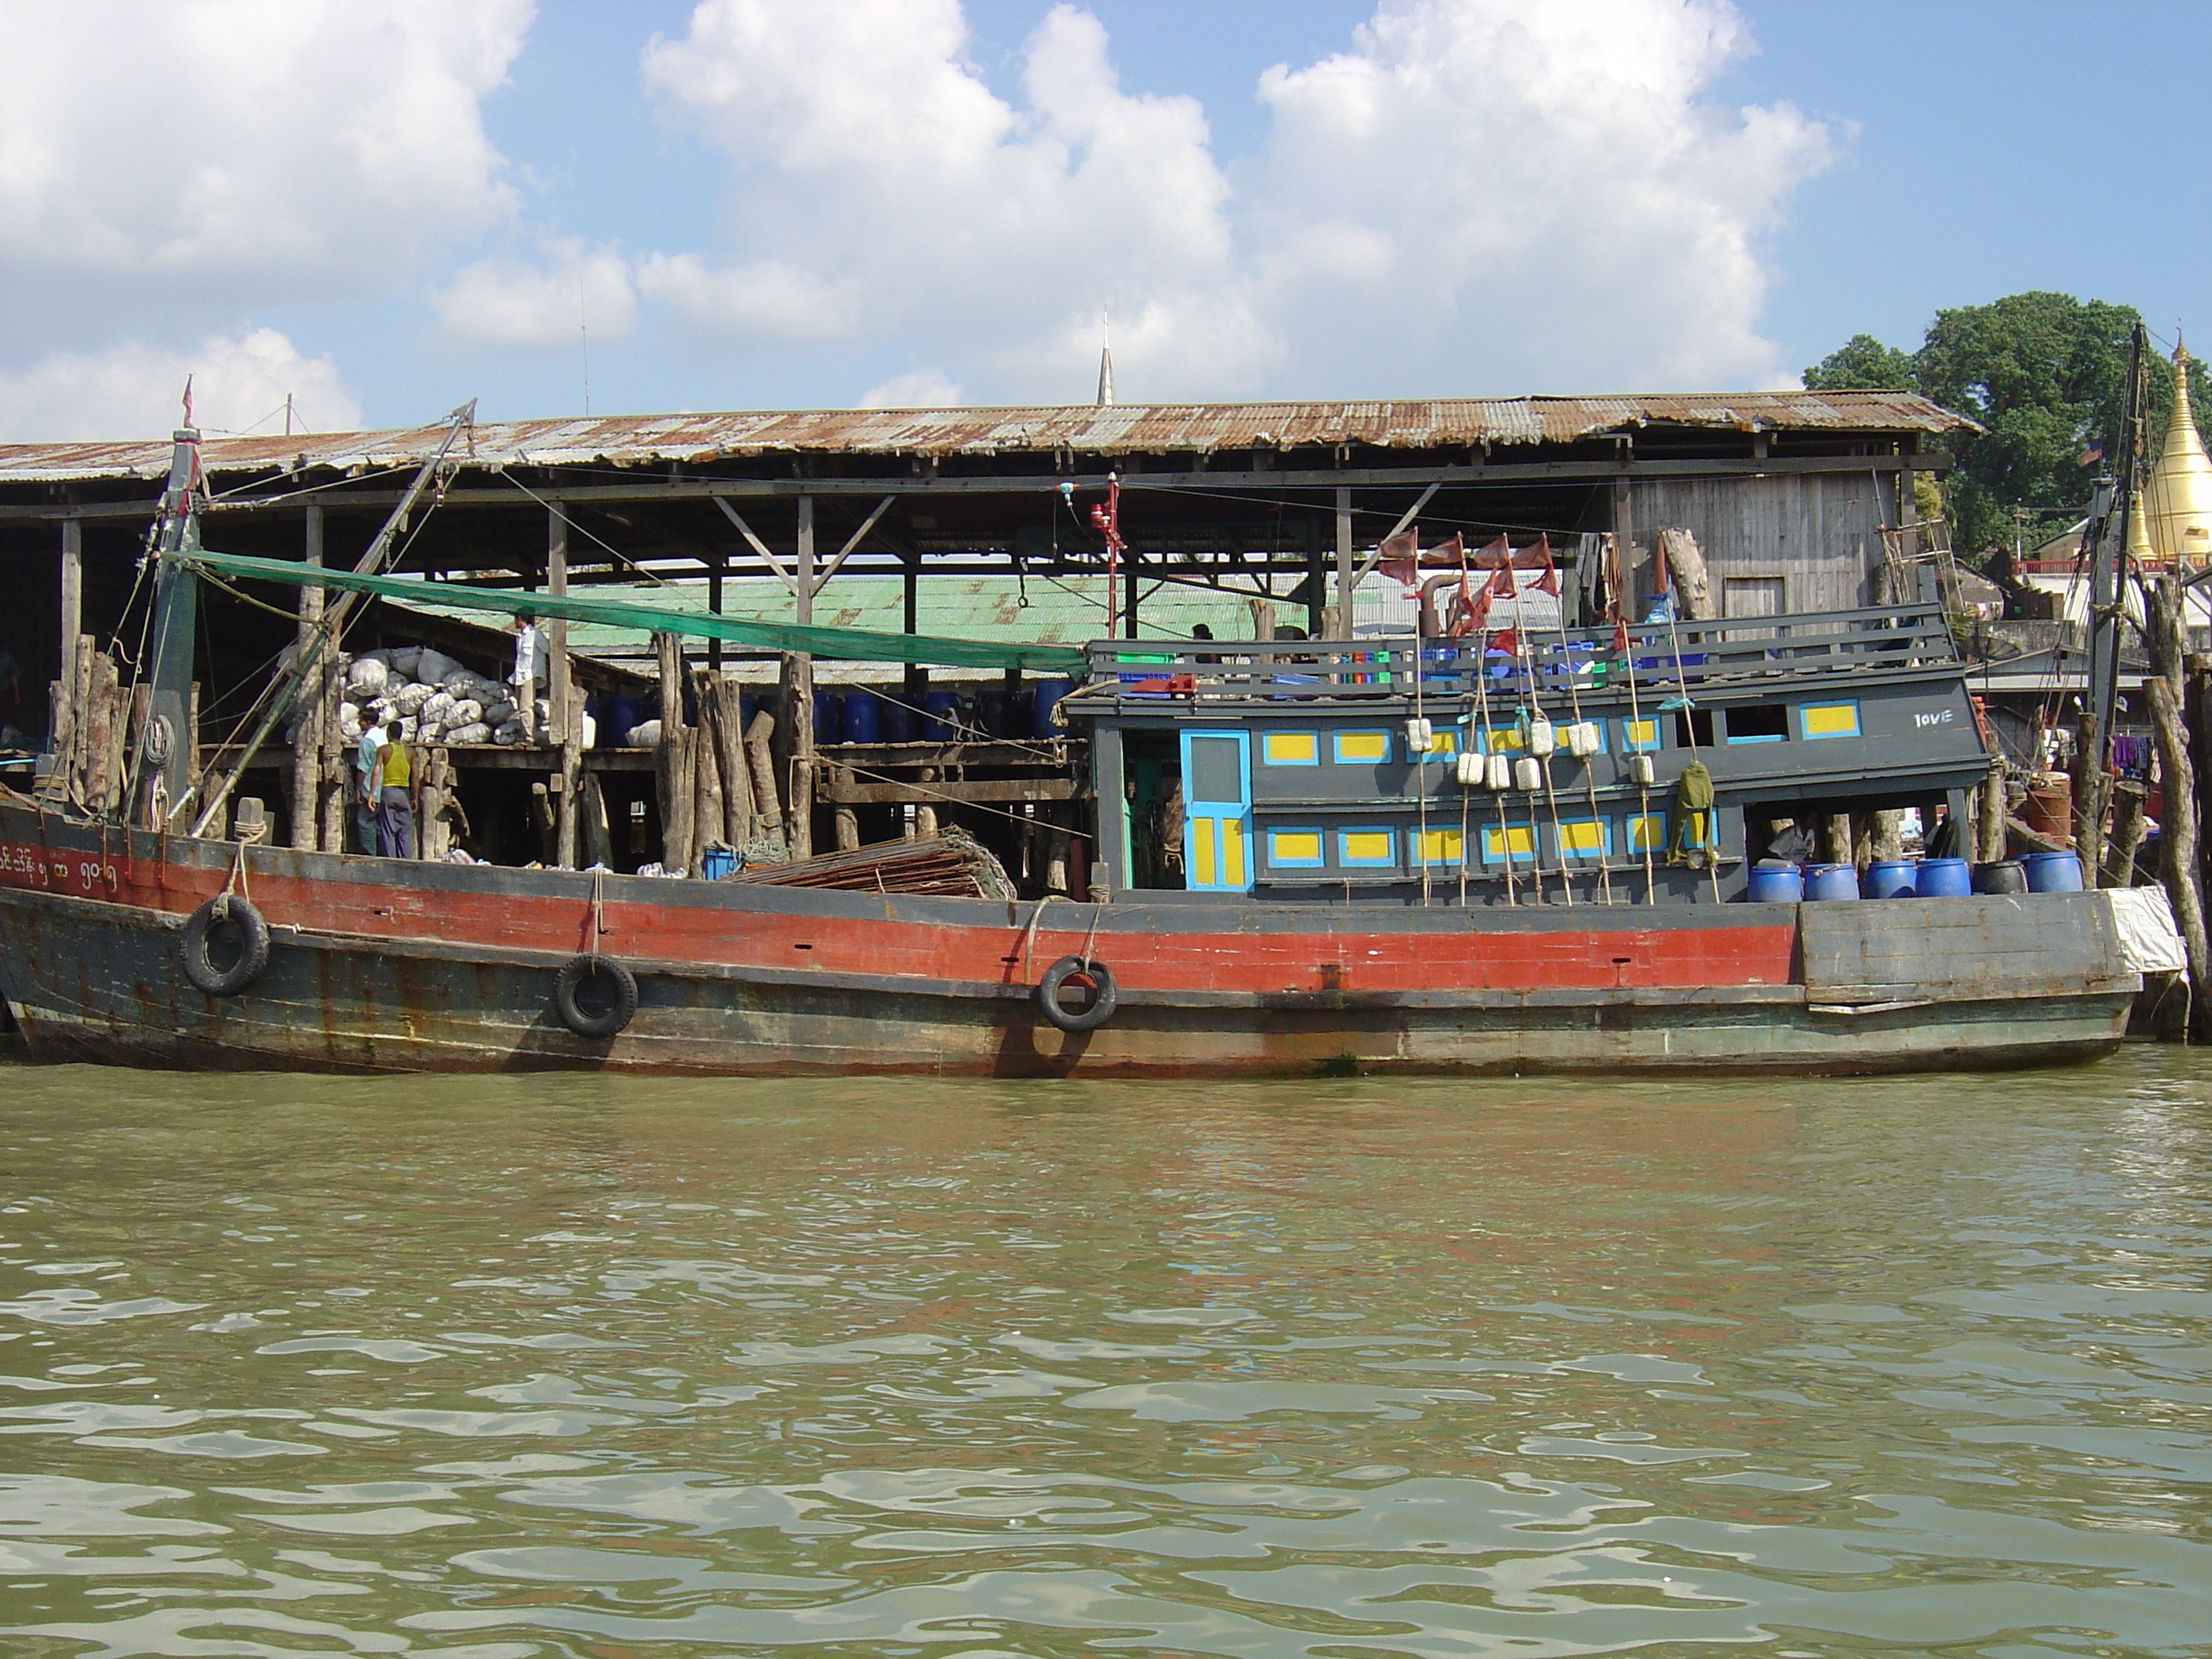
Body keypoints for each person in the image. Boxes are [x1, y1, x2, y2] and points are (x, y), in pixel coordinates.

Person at [375, 719, 415, 859]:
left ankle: (390, 862)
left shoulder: (384, 750)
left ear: (389, 733)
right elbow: (415, 777)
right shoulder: (410, 752)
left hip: (388, 792)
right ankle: (406, 861)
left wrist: (372, 794)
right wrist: (414, 797)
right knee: (405, 831)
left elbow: (376, 771)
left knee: (388, 831)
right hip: (404, 792)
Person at [353, 720, 386, 853]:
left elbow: (363, 768)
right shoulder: (383, 736)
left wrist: (357, 789)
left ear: (366, 722)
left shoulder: (367, 741)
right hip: (385, 787)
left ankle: (369, 856)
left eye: (360, 720)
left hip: (370, 789)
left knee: (365, 823)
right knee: (380, 825)